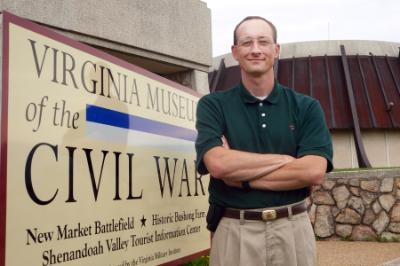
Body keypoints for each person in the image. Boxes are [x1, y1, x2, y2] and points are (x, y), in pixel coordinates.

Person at [195, 16, 333, 266]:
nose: (255, 49)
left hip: (293, 230)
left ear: (276, 50)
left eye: (263, 42)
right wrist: (286, 161)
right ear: (235, 52)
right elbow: (218, 164)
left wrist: (241, 178)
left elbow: (313, 171)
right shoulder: (213, 105)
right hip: (235, 231)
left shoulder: (306, 107)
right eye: (247, 42)